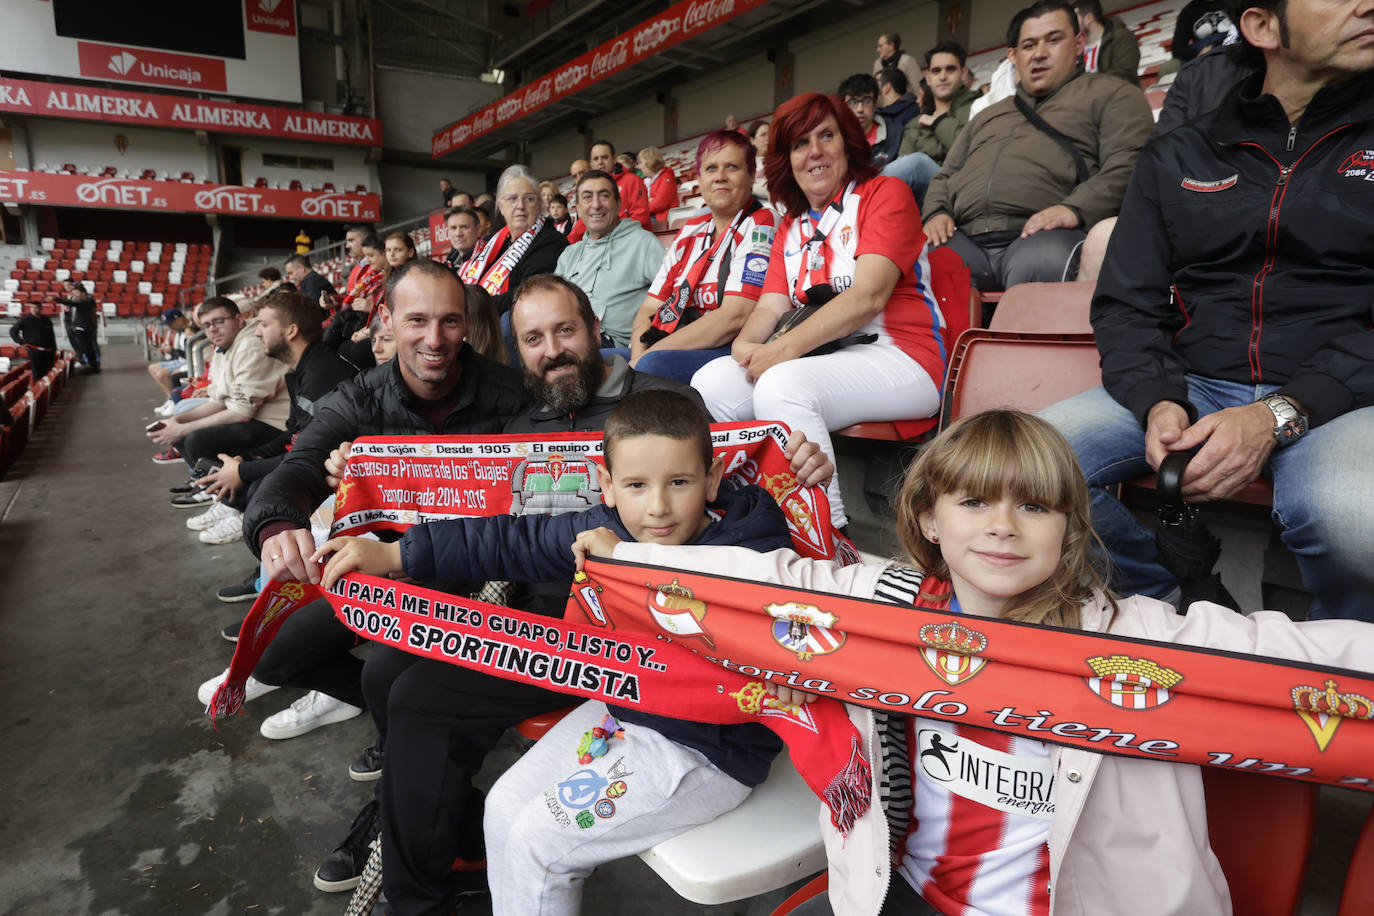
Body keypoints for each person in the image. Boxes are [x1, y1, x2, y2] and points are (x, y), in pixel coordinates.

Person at [585, 409, 1374, 916]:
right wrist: (632, 560)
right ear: (928, 516)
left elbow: (1297, 654)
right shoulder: (877, 610)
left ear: (1069, 528)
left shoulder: (1142, 640)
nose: (1002, 528)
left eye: (1033, 505)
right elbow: (766, 584)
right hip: (906, 899)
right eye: (973, 502)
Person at [308, 272, 834, 903]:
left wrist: (800, 467)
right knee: (388, 677)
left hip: (666, 687)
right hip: (566, 637)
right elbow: (485, 519)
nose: (552, 348)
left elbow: (752, 511)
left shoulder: (669, 411)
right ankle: (435, 855)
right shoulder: (527, 423)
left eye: (564, 330)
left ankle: (423, 876)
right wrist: (368, 486)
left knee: (423, 702)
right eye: (533, 338)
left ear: (594, 329)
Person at [1040, 0, 1374, 622]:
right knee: (1017, 466)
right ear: (1263, 27)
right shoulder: (1182, 152)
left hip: (1343, 396)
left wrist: (1281, 412)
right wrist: (1156, 399)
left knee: (1356, 515)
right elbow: (1128, 302)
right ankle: (1174, 597)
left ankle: (1342, 665)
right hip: (1195, 382)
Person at [692, 92, 951, 531]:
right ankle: (755, 509)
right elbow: (771, 304)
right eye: (799, 144)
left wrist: (781, 352)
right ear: (786, 160)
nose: (814, 152)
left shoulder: (883, 192)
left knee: (783, 384)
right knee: (711, 380)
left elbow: (868, 296)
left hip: (906, 354)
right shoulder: (791, 224)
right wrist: (746, 345)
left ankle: (825, 534)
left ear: (847, 143)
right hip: (828, 355)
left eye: (826, 136)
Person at [922, 0, 1153, 291]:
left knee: (1040, 263)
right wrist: (936, 213)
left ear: (1079, 42)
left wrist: (1074, 209)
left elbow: (1130, 162)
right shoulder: (987, 115)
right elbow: (945, 175)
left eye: (1054, 40)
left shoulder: (1113, 94)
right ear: (1014, 56)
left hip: (1047, 236)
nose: (1040, 54)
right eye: (1029, 46)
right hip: (965, 237)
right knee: (919, 261)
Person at [625, 129, 777, 384]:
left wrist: (647, 358)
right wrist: (636, 357)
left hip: (726, 349)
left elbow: (734, 316)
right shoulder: (690, 230)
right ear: (700, 179)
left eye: (732, 167)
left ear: (751, 176)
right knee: (600, 362)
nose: (720, 177)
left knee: (650, 367)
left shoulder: (761, 222)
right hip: (670, 341)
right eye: (711, 169)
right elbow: (650, 307)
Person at [148, 297, 289, 492]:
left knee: (196, 439)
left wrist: (184, 428)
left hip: (277, 424)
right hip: (253, 416)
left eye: (219, 321)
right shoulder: (225, 346)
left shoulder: (250, 345)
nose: (212, 329)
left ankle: (231, 500)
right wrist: (177, 421)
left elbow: (241, 413)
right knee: (180, 432)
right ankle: (207, 485)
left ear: (238, 319)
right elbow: (218, 400)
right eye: (206, 325)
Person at [553, 170, 665, 349]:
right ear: (578, 208)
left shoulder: (643, 243)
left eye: (604, 196)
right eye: (587, 197)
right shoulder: (569, 254)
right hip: (565, 338)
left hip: (612, 346)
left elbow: (672, 299)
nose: (596, 205)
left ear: (618, 204)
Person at [461, 164, 569, 317]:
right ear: (501, 206)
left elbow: (528, 294)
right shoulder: (493, 242)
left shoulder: (550, 242)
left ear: (539, 205)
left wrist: (474, 304)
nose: (520, 206)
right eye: (512, 198)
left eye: (529, 199)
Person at [898, 42, 980, 167]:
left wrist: (937, 122)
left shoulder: (978, 105)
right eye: (936, 71)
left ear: (963, 73)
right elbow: (902, 169)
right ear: (928, 78)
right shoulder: (915, 124)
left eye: (950, 69)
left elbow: (969, 147)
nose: (942, 77)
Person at [1073, 0, 1143, 82]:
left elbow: (1125, 75)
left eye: (1075, 19)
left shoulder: (1123, 38)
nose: (1072, 24)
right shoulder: (1075, 48)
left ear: (1089, 19)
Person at [587, 140, 651, 229]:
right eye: (596, 159)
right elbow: (583, 223)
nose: (600, 162)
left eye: (605, 157)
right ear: (591, 164)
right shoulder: (589, 188)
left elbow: (640, 218)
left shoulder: (633, 180)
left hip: (630, 238)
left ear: (614, 159)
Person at [57, 280, 100, 372]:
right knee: (80, 346)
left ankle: (93, 364)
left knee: (89, 346)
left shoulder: (87, 300)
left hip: (85, 326)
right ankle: (84, 362)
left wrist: (56, 299)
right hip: (74, 325)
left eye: (76, 292)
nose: (74, 294)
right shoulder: (72, 299)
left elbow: (75, 304)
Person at [1172, 0, 1238, 61]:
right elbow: (1177, 50)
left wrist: (1214, 46)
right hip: (1207, 58)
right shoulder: (1188, 12)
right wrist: (1200, 54)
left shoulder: (1234, 3)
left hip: (1235, 49)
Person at [9, 301, 56, 380]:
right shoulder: (25, 320)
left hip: (48, 351)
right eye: (32, 308)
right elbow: (13, 330)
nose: (34, 310)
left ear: (41, 309)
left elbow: (51, 335)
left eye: (36, 308)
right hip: (34, 350)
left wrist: (54, 348)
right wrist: (21, 342)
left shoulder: (47, 320)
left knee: (48, 372)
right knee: (37, 373)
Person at [638, 146, 678, 224]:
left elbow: (658, 204)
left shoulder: (667, 177)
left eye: (641, 162)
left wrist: (642, 206)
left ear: (650, 162)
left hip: (662, 218)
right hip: (651, 215)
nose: (639, 166)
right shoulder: (646, 181)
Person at [443, 206, 482, 272]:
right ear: (448, 233)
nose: (458, 234)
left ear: (478, 230)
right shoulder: (447, 266)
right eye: (453, 228)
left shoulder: (491, 257)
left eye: (464, 227)